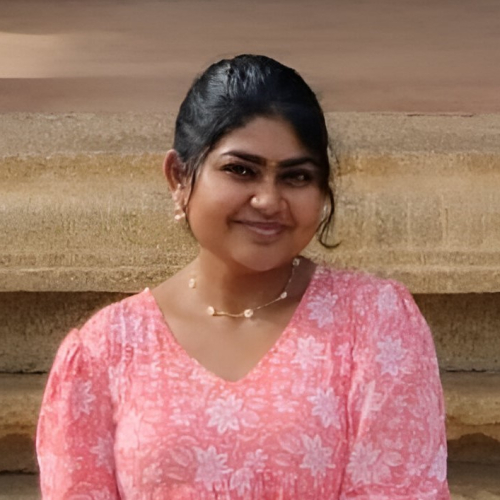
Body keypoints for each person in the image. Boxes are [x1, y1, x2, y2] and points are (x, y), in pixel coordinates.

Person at [36, 54, 450, 499]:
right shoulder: (107, 350)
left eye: (296, 176)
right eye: (241, 170)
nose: (268, 200)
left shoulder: (374, 325)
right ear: (179, 177)